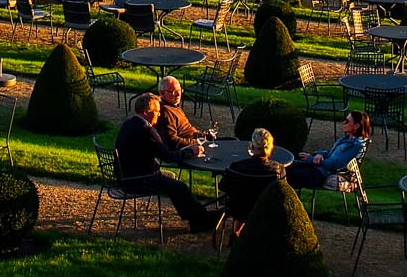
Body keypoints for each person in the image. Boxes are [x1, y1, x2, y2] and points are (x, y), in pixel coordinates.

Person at [113, 94, 220, 234]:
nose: (159, 114)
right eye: (156, 111)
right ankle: (202, 221)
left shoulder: (129, 124)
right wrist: (191, 151)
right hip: (141, 179)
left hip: (126, 176)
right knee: (179, 187)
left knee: (173, 185)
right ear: (146, 112)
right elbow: (168, 157)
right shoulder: (147, 130)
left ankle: (198, 218)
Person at [218, 128, 283, 237]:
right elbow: (282, 192)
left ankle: (236, 234)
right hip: (265, 210)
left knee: (242, 202)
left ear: (251, 146)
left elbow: (223, 187)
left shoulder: (237, 167)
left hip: (238, 208)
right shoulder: (277, 170)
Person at [286, 112, 371, 190]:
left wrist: (312, 159)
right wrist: (319, 154)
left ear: (356, 126)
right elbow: (330, 152)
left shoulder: (356, 145)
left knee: (290, 175)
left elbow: (336, 164)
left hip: (324, 174)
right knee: (286, 167)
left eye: (347, 121)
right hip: (319, 168)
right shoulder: (347, 138)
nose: (343, 123)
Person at [155, 76, 213, 158]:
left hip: (195, 143)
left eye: (179, 90)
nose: (178, 94)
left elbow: (186, 129)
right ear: (162, 93)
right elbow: (173, 141)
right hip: (186, 151)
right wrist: (197, 142)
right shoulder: (165, 111)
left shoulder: (174, 106)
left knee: (230, 141)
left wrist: (203, 136)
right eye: (173, 92)